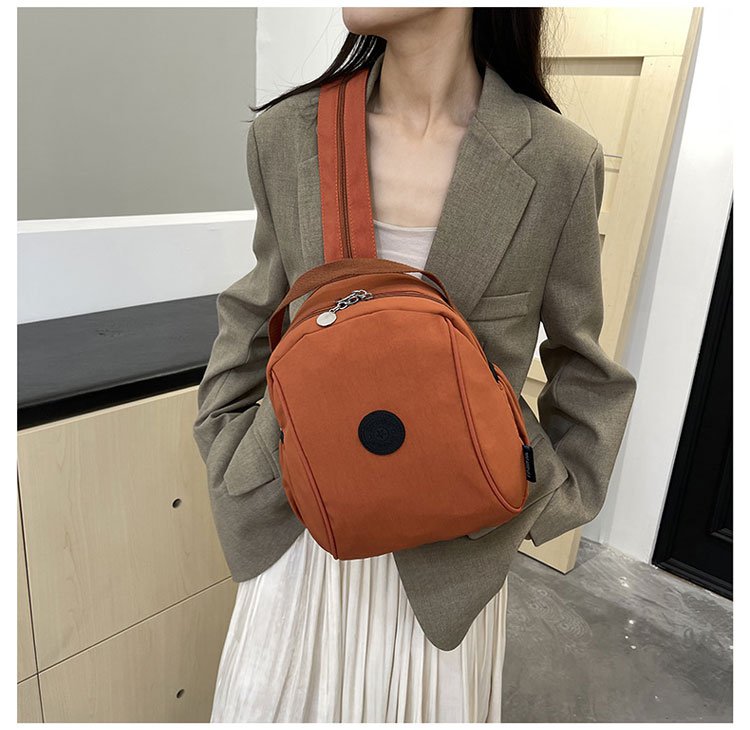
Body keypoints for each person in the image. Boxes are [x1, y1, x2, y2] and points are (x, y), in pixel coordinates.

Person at [193, 6, 638, 724]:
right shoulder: (287, 135)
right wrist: (227, 445)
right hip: (300, 527)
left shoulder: (560, 161)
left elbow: (583, 367)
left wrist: (529, 505)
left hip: (449, 564)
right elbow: (254, 311)